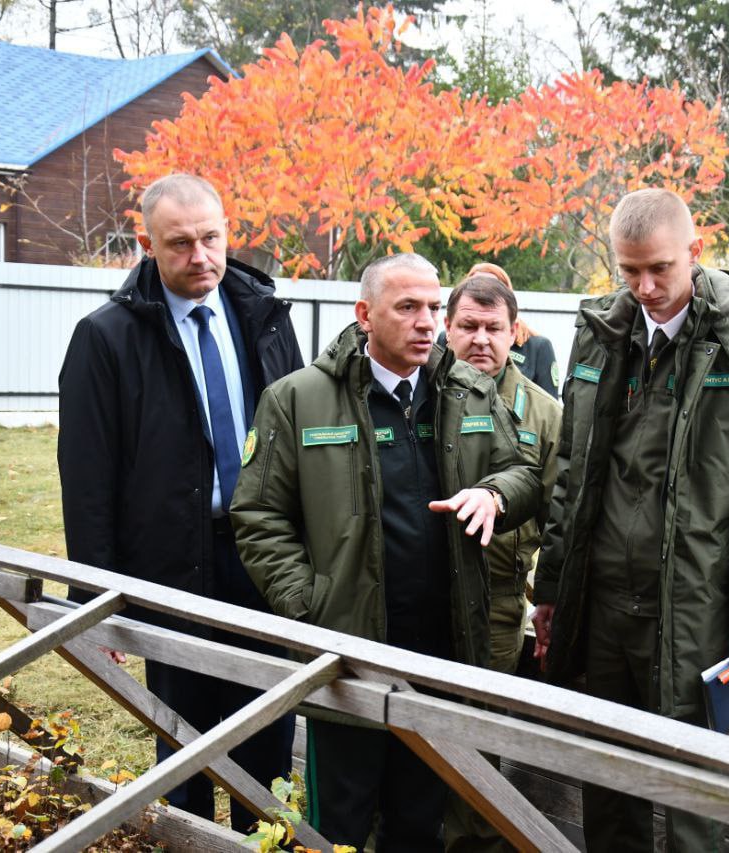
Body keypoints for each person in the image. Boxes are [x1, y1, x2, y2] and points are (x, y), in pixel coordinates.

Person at [531, 188, 729, 853]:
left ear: (695, 251)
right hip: (603, 601)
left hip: (695, 604)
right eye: (629, 271)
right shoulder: (600, 333)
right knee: (608, 770)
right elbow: (573, 470)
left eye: (661, 268)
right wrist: (550, 592)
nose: (646, 287)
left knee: (693, 787)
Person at [230, 253, 542, 851]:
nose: (427, 322)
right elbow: (259, 513)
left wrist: (493, 493)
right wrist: (308, 603)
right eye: (408, 308)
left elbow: (523, 472)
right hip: (348, 649)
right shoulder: (298, 399)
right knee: (339, 821)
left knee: (419, 817)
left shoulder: (470, 392)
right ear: (365, 315)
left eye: (432, 306)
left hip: (442, 651)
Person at [57, 173, 303, 830]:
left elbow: (302, 447)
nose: (201, 257)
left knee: (267, 744)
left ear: (229, 230)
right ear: (146, 243)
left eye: (211, 238)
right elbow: (87, 480)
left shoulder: (265, 317)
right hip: (170, 569)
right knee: (185, 749)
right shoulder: (106, 338)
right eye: (180, 243)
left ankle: (264, 843)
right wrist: (93, 596)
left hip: (261, 561)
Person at [440, 273, 562, 853]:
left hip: (500, 598)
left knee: (478, 736)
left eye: (494, 328)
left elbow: (563, 514)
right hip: (427, 593)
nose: (481, 340)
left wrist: (549, 599)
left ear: (517, 333)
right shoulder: (424, 396)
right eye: (468, 326)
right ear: (448, 329)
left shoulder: (543, 413)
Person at [436, 262, 562, 397]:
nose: (481, 340)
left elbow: (547, 401)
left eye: (493, 328)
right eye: (476, 284)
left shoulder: (537, 346)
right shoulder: (447, 338)